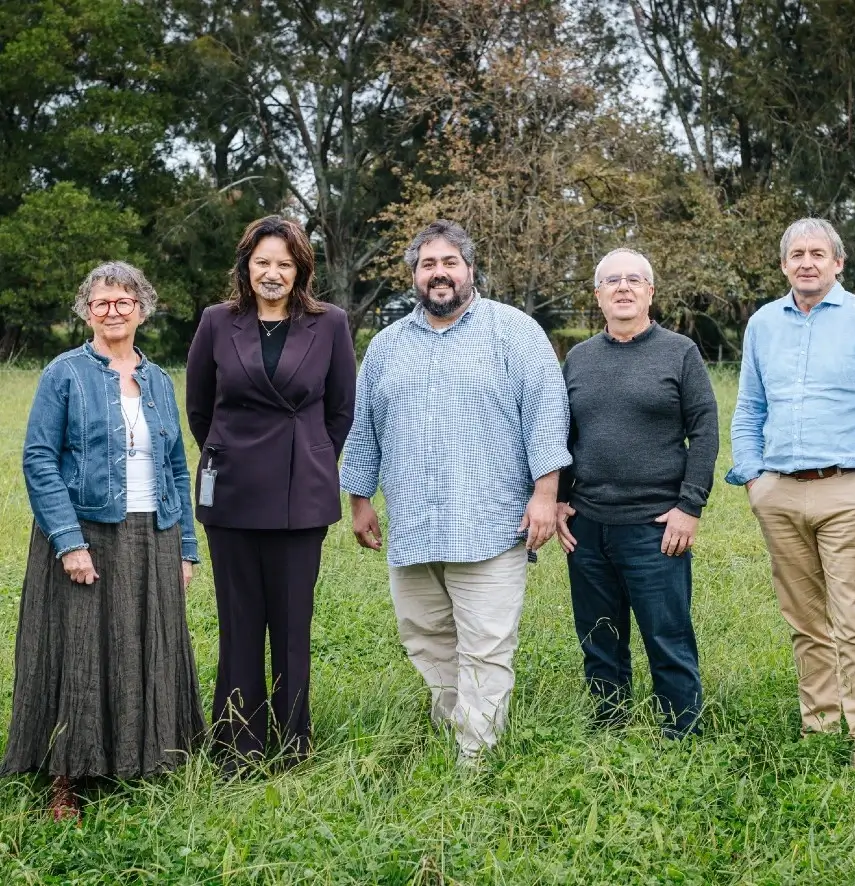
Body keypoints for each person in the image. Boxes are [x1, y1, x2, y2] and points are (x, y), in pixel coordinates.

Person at [340, 219, 571, 764]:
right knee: (426, 637)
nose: (438, 274)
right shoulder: (387, 346)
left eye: (449, 263)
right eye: (427, 265)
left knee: (486, 644)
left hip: (490, 520)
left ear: (470, 270)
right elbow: (364, 424)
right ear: (413, 276)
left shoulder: (514, 331)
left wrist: (545, 494)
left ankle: (476, 757)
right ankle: (454, 726)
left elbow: (546, 413)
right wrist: (359, 499)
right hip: (416, 522)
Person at [2, 262, 204, 821]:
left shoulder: (160, 379)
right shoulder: (64, 373)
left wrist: (186, 546)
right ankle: (65, 777)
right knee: (80, 650)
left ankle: (139, 760)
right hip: (87, 531)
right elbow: (39, 460)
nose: (113, 311)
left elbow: (175, 466)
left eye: (124, 302)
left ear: (142, 308)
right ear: (86, 311)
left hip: (153, 530)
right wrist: (69, 541)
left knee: (145, 643)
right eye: (102, 303)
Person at [727, 218, 855, 769]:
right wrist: (754, 477)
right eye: (796, 254)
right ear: (784, 264)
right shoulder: (762, 323)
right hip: (779, 493)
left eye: (818, 253)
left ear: (838, 262)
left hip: (848, 490)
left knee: (854, 621)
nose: (807, 262)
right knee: (805, 620)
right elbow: (750, 406)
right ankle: (820, 728)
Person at [185, 216, 355, 773]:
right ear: (246, 267)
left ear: (301, 269)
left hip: (299, 497)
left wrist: (306, 457)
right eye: (263, 262)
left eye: (284, 263)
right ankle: (237, 745)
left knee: (290, 623)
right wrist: (231, 454)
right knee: (238, 623)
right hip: (231, 493)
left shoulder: (330, 324)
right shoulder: (216, 322)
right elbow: (200, 408)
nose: (273, 273)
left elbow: (339, 411)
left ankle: (290, 743)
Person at [555, 248, 718, 738]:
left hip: (656, 525)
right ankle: (609, 725)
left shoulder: (679, 352)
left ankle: (681, 732)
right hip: (588, 526)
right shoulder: (579, 359)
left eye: (634, 280)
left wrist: (689, 506)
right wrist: (561, 497)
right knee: (599, 637)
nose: (623, 288)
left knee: (667, 635)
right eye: (612, 281)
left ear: (650, 292)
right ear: (598, 296)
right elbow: (564, 433)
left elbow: (705, 430)